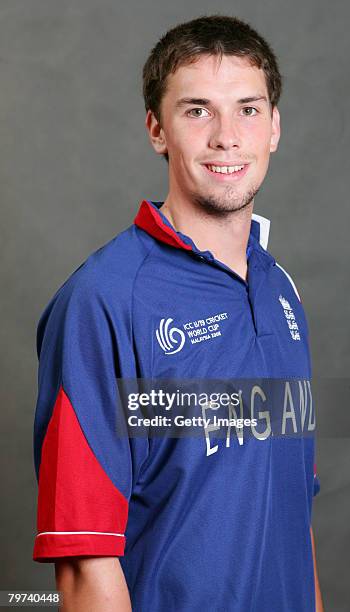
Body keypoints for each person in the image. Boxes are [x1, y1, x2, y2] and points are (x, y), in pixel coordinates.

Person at [32, 14, 324, 611]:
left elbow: (294, 511)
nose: (226, 137)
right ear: (156, 130)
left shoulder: (281, 290)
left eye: (248, 109)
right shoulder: (104, 301)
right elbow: (87, 564)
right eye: (197, 110)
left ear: (274, 128)